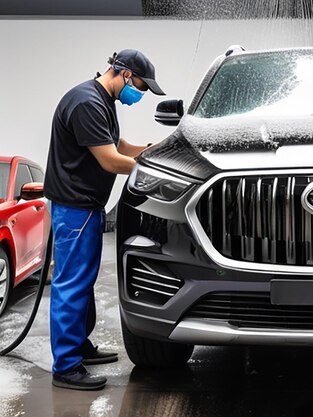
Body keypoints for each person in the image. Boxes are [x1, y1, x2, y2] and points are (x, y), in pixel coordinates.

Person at [44, 49, 165, 390]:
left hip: (84, 207)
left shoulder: (100, 100)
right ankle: (66, 367)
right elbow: (110, 161)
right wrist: (156, 170)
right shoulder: (86, 103)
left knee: (83, 281)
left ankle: (78, 346)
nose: (139, 94)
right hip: (75, 208)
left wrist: (153, 150)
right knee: (71, 284)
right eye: (140, 86)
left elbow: (120, 144)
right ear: (124, 74)